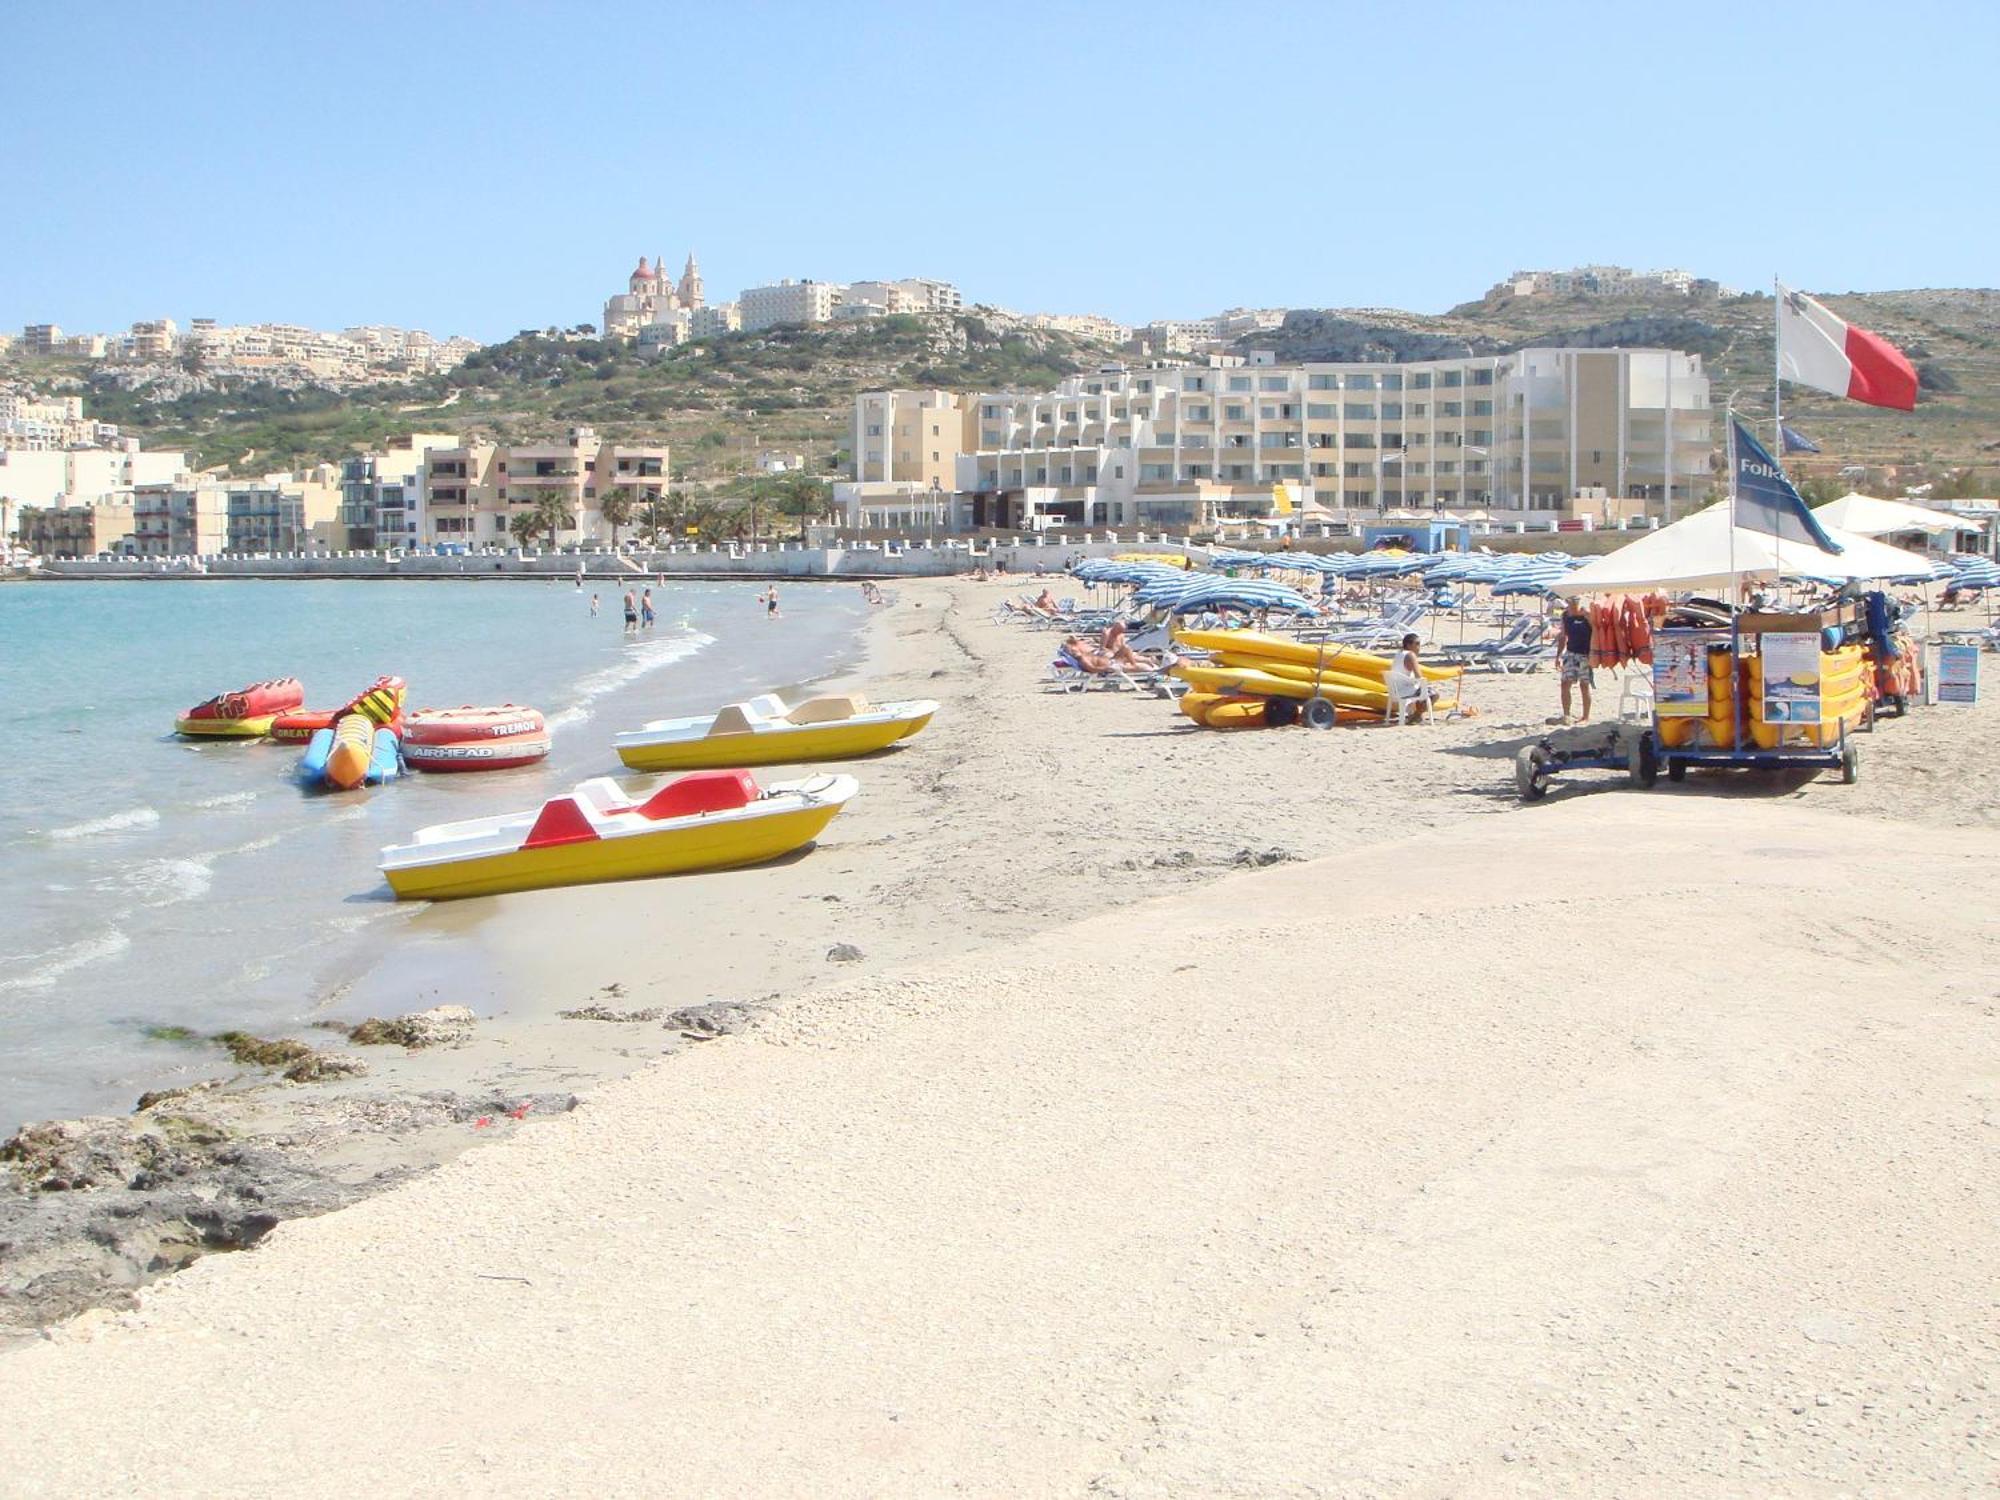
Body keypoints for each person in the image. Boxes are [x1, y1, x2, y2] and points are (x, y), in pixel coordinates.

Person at [1557, 598, 1594, 723]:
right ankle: (1566, 714)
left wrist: (1589, 617)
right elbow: (1563, 636)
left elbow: (1597, 631)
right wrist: (1558, 656)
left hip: (1585, 654)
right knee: (1565, 684)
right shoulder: (1566, 616)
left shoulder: (1587, 615)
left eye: (1574, 603)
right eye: (1569, 603)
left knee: (1584, 685)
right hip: (1570, 653)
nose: (1571, 606)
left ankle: (1585, 716)